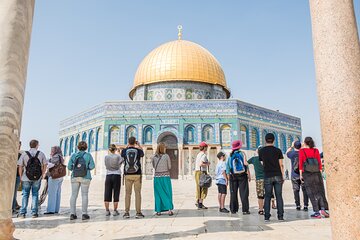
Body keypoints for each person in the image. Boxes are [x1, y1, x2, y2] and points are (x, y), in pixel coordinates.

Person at [299, 137, 330, 219]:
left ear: (305, 143)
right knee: (320, 191)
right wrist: (319, 172)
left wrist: (301, 175)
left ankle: (317, 212)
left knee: (311, 192)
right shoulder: (316, 150)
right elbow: (319, 162)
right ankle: (323, 209)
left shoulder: (302, 151)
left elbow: (301, 163)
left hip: (307, 173)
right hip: (316, 173)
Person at [17, 140, 47, 218]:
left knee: (25, 194)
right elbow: (45, 164)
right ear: (37, 145)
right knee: (35, 194)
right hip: (37, 177)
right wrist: (43, 174)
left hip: (26, 177)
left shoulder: (24, 154)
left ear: (30, 145)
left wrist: (20, 176)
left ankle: (23, 212)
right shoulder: (41, 154)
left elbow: (20, 166)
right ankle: (34, 212)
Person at [259, 133, 284, 222]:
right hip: (277, 175)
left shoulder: (261, 151)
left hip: (267, 175)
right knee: (279, 196)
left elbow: (262, 163)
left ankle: (266, 216)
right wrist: (282, 176)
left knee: (268, 196)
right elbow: (281, 164)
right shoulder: (278, 151)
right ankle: (280, 216)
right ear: (274, 140)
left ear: (265, 140)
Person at [68, 141, 95, 221]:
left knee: (73, 195)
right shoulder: (88, 155)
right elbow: (92, 166)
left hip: (75, 177)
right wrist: (86, 168)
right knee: (84, 195)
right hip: (85, 177)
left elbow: (69, 167)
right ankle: (84, 214)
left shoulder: (74, 155)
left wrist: (75, 168)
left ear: (78, 147)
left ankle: (72, 214)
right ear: (86, 147)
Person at [121, 137, 145, 219]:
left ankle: (126, 212)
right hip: (137, 174)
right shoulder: (138, 151)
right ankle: (138, 213)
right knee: (137, 194)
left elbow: (122, 154)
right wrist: (139, 145)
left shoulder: (125, 151)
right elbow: (143, 154)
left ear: (128, 142)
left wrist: (127, 145)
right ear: (135, 142)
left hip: (127, 175)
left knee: (128, 194)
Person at [226, 140, 251, 215]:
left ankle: (233, 209)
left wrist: (228, 177)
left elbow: (228, 167)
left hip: (233, 176)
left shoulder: (230, 155)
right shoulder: (242, 153)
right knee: (244, 193)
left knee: (233, 193)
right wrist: (249, 175)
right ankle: (245, 210)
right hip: (242, 175)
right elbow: (245, 164)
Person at [152, 142, 174, 216]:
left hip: (157, 178)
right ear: (163, 148)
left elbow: (154, 166)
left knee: (158, 194)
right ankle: (169, 210)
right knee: (167, 193)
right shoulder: (166, 156)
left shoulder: (154, 156)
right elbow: (170, 166)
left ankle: (158, 211)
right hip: (165, 177)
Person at [286, 141, 309, 211]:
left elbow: (287, 152)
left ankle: (298, 205)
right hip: (304, 174)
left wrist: (291, 146)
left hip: (294, 174)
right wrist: (302, 146)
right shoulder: (304, 153)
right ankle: (305, 205)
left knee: (296, 191)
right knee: (305, 191)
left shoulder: (292, 154)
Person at [104, 144, 123, 217]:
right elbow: (121, 162)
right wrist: (119, 153)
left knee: (107, 192)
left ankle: (107, 211)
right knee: (116, 192)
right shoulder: (118, 156)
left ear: (109, 149)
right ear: (115, 149)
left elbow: (106, 165)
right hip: (117, 175)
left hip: (108, 175)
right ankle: (115, 211)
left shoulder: (106, 157)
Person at [45, 146, 64, 214]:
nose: (51, 151)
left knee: (52, 193)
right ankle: (56, 209)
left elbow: (51, 165)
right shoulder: (60, 156)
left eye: (53, 150)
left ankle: (51, 210)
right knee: (57, 193)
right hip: (59, 176)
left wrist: (47, 162)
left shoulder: (56, 156)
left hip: (54, 176)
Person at [247, 146, 265, 215]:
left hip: (259, 180)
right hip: (267, 179)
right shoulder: (266, 158)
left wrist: (244, 155)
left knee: (260, 195)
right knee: (267, 195)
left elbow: (245, 163)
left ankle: (261, 209)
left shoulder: (254, 159)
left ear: (257, 151)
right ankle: (267, 209)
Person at [194, 142, 210, 210]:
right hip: (202, 172)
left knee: (199, 187)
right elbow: (201, 164)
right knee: (204, 187)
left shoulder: (198, 154)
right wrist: (207, 163)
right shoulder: (203, 155)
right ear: (205, 148)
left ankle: (198, 201)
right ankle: (200, 203)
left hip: (197, 172)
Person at [12, 141, 22, 214]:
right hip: (9, 177)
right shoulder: (10, 154)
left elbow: (22, 166)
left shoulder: (20, 155)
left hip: (17, 176)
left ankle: (13, 208)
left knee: (14, 193)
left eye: (19, 146)